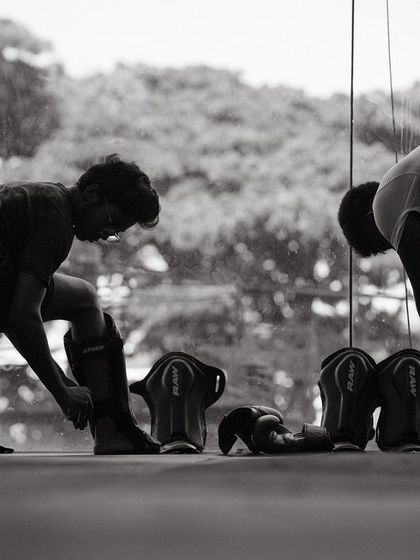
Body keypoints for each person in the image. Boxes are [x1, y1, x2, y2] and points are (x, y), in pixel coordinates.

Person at [0, 154, 161, 454]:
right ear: (91, 195)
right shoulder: (55, 218)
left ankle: (111, 427)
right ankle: (112, 428)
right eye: (110, 224)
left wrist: (64, 382)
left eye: (114, 234)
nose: (105, 235)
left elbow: (10, 307)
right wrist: (61, 392)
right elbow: (20, 315)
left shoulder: (48, 199)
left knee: (84, 297)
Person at [338, 144, 420, 316]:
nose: (392, 247)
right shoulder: (405, 180)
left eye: (377, 246)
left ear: (371, 216)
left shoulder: (383, 207)